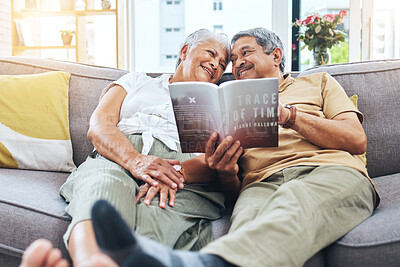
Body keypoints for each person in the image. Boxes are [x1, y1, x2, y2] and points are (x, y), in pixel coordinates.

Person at [20, 27, 378, 267]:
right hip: (246, 183)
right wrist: (149, 162)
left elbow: (355, 139)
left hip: (317, 171)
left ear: (278, 56)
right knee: (109, 189)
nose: (231, 65)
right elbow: (100, 126)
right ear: (184, 51)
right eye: (226, 59)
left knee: (289, 204)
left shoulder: (315, 83)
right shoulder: (145, 84)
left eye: (239, 56)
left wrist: (284, 115)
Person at [57, 28, 232, 267]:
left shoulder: (219, 105)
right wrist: (135, 160)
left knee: (155, 215)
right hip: (118, 158)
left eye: (222, 64)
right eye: (211, 54)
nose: (216, 65)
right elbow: (99, 125)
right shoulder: (137, 81)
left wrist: (174, 174)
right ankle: (90, 261)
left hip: (183, 175)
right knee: (103, 191)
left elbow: (215, 163)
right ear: (184, 51)